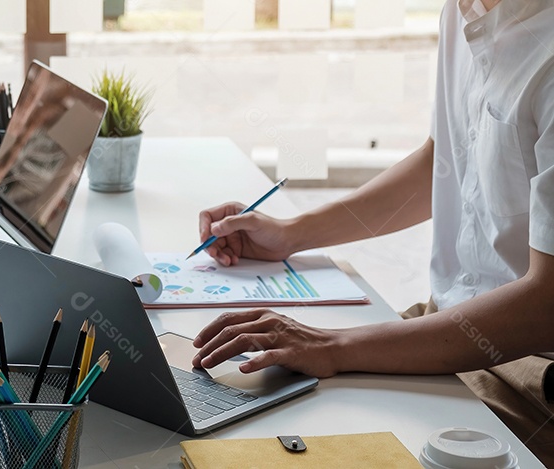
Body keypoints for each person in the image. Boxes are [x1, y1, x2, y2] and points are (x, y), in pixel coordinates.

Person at [191, 0, 554, 462]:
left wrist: (335, 345)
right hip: (440, 320)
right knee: (260, 413)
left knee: (318, 441)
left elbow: (547, 303)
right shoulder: (462, 13)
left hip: (528, 370)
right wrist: (291, 233)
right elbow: (445, 160)